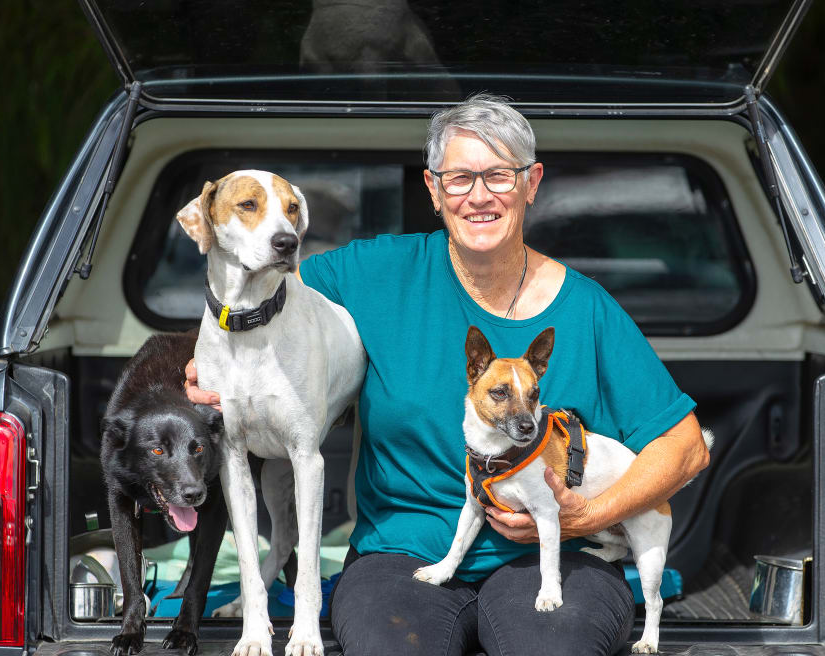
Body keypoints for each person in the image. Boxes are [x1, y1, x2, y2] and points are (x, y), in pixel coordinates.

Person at [185, 93, 710, 655]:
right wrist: (204, 362)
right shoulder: (373, 273)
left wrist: (588, 516)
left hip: (552, 558)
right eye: (459, 178)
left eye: (499, 176)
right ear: (433, 191)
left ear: (531, 184)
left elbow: (684, 449)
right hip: (401, 556)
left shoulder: (587, 308)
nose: (479, 195)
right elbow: (254, 293)